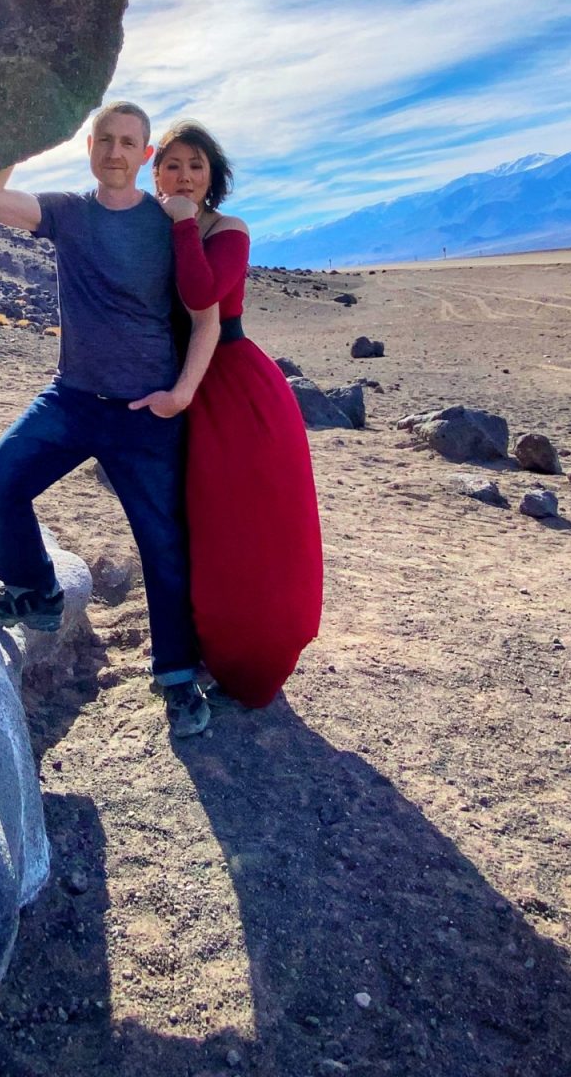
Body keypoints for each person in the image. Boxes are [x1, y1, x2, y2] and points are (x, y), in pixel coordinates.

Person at [0, 101, 223, 737]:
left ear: (145, 157)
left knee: (163, 545)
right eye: (103, 140)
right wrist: (26, 127)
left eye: (127, 142)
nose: (114, 151)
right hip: (73, 399)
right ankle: (36, 590)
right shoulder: (67, 213)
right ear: (89, 147)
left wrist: (181, 395)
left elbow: (205, 318)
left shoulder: (170, 227)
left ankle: (178, 678)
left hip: (146, 412)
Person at [153, 120, 324, 708]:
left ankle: (255, 656)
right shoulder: (144, 226)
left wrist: (179, 223)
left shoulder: (228, 230)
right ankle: (196, 647)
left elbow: (202, 295)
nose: (185, 175)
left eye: (196, 164)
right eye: (173, 163)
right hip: (177, 387)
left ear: (212, 175)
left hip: (237, 391)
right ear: (156, 172)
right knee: (194, 526)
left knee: (251, 526)